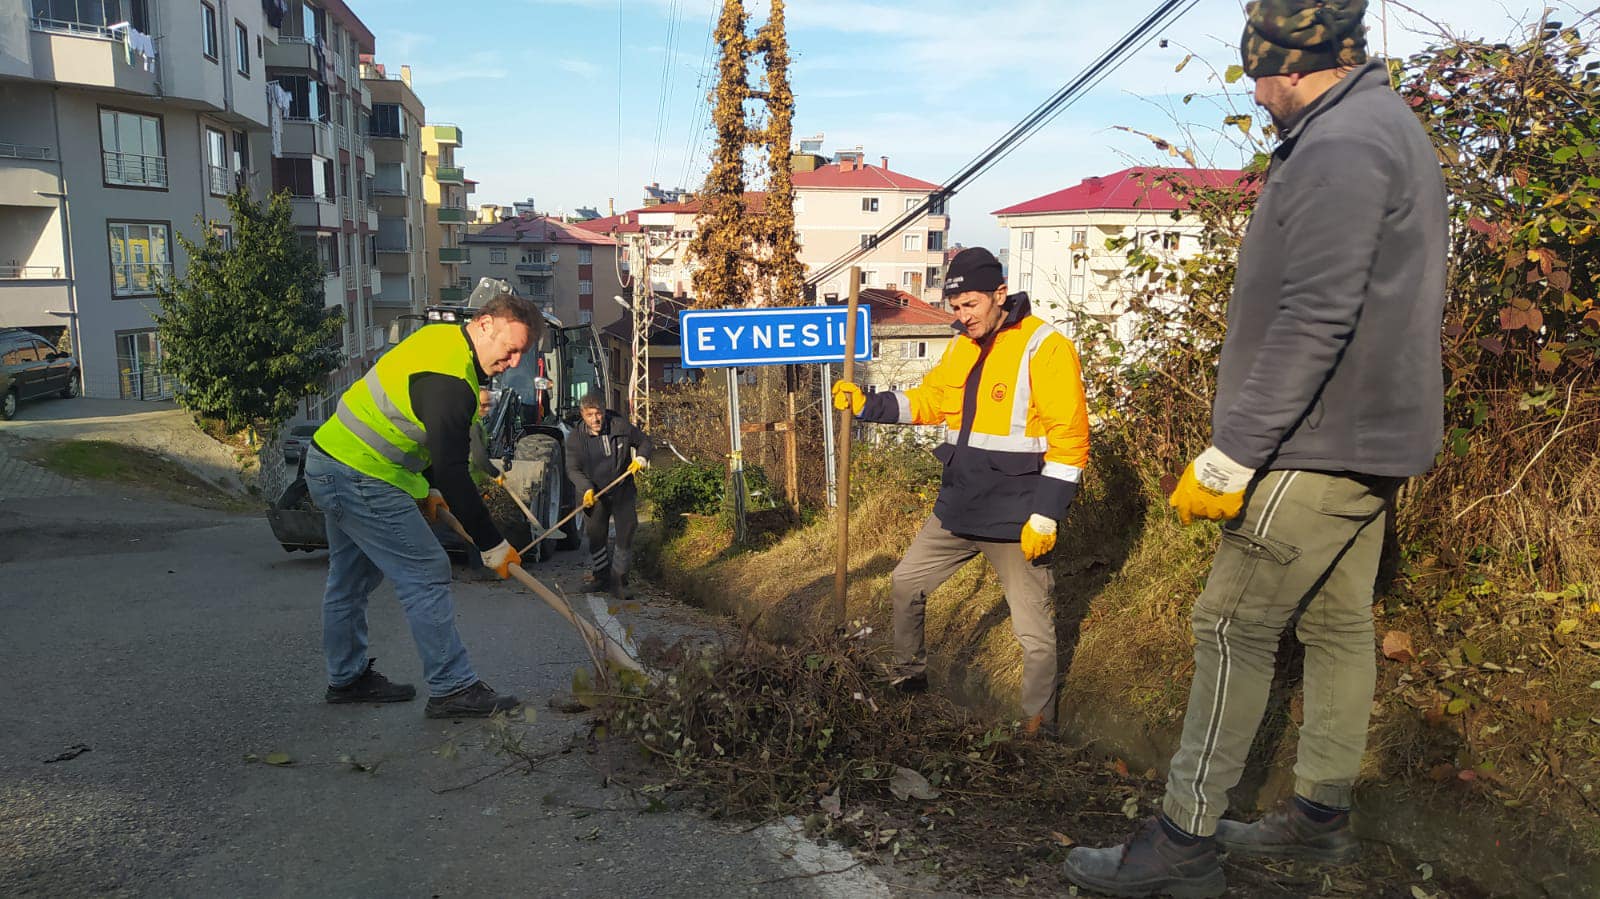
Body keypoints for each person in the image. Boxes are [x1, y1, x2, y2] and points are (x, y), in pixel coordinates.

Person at [1061, 2, 1448, 895]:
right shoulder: (1388, 124)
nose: (1256, 91)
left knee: (1230, 625)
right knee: (1340, 622)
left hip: (1317, 439)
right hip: (1374, 434)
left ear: (1287, 62)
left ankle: (1182, 841)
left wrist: (1233, 451)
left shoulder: (1341, 145)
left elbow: (1316, 315)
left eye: (1254, 74)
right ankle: (1319, 817)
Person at [831, 246, 1090, 736]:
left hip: (1017, 517)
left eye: (970, 304)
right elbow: (932, 401)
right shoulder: (963, 345)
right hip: (959, 505)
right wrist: (869, 403)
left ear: (999, 294)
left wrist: (1047, 514)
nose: (961, 316)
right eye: (954, 306)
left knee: (1033, 631)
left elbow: (1070, 439)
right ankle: (908, 678)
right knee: (906, 582)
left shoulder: (1045, 347)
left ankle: (1037, 726)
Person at [305, 286, 543, 718]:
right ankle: (453, 688)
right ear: (485, 324)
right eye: (510, 351)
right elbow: (454, 470)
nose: (513, 364)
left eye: (520, 356)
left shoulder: (441, 339)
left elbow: (421, 435)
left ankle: (347, 678)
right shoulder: (452, 383)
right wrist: (490, 543)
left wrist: (425, 489)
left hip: (332, 461)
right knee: (427, 570)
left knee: (349, 580)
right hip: (360, 474)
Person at [564, 392, 653, 595]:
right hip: (593, 493)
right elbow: (572, 469)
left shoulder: (620, 427)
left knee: (626, 529)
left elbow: (645, 442)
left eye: (598, 414)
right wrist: (586, 488)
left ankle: (619, 581)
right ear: (582, 415)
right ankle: (600, 577)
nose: (595, 419)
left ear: (604, 412)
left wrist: (640, 459)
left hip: (622, 489)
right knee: (596, 535)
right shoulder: (575, 439)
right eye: (590, 415)